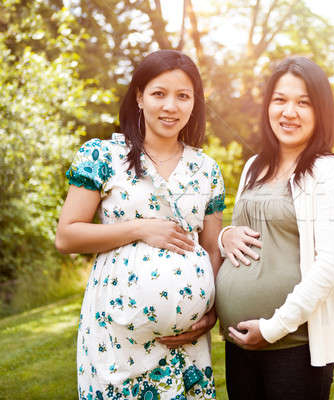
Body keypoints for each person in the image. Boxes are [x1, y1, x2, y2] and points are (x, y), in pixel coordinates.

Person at [55, 50, 224, 400]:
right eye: (159, 93)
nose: (171, 107)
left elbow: (210, 247)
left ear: (195, 103)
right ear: (139, 97)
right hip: (115, 337)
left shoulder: (206, 169)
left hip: (187, 346)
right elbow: (67, 235)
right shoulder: (102, 157)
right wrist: (140, 228)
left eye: (183, 96)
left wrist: (212, 311)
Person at [215, 56, 334, 400]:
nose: (288, 112)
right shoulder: (254, 166)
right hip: (242, 344)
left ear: (321, 111)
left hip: (293, 348)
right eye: (280, 100)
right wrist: (223, 237)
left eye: (303, 102)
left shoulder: (327, 172)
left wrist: (273, 328)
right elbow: (243, 240)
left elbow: (331, 266)